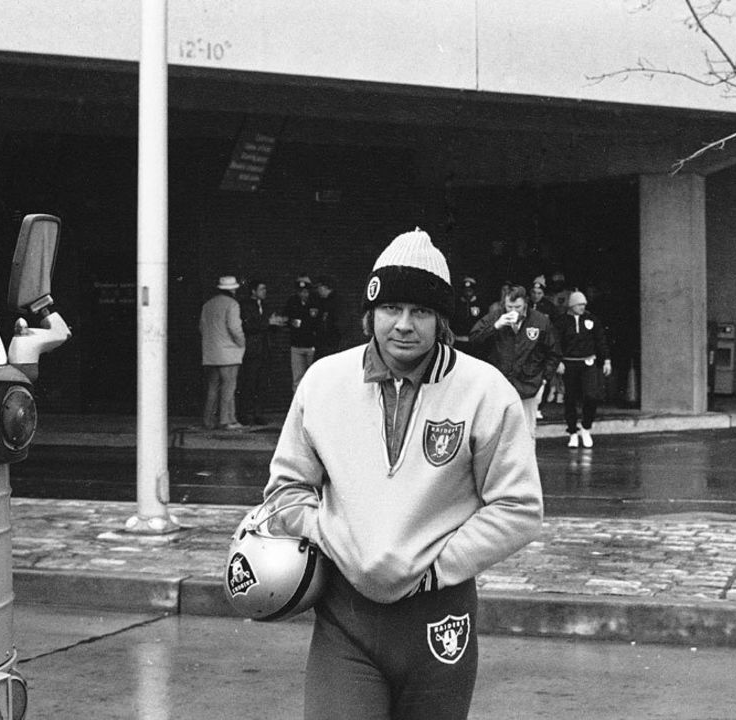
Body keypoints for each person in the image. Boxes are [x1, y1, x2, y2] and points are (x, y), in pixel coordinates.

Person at [261, 228, 544, 720]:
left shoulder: (484, 391)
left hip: (440, 621)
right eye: (392, 309)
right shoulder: (323, 382)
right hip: (345, 619)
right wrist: (337, 539)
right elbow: (286, 490)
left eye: (422, 312)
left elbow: (518, 508)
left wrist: (434, 569)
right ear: (370, 313)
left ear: (442, 320)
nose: (404, 326)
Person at [468, 283, 560, 437]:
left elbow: (554, 351)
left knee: (526, 432)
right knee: (497, 432)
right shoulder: (496, 316)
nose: (513, 311)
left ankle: (526, 461)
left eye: (517, 307)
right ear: (504, 303)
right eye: (509, 306)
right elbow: (474, 339)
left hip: (528, 384)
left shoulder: (540, 321)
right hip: (499, 383)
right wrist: (496, 326)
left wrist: (544, 379)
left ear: (525, 303)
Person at [553, 289, 611, 448]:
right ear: (572, 305)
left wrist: (606, 360)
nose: (582, 307)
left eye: (584, 304)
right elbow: (555, 342)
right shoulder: (562, 321)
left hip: (588, 363)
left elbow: (600, 340)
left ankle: (586, 427)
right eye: (579, 304)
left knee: (591, 396)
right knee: (570, 398)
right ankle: (572, 432)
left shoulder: (592, 319)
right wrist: (558, 361)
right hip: (569, 363)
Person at [199, 275, 245, 430]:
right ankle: (227, 420)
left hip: (211, 353)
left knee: (213, 387)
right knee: (229, 387)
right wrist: (242, 343)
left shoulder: (207, 305)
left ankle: (208, 420)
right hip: (229, 353)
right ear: (232, 289)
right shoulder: (232, 304)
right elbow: (234, 328)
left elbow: (201, 327)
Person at [237, 278, 281, 425]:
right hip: (252, 349)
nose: (265, 292)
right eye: (262, 289)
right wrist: (267, 323)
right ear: (253, 291)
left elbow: (269, 326)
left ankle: (258, 413)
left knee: (262, 383)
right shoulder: (244, 306)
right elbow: (248, 325)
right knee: (249, 382)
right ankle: (244, 413)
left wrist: (276, 324)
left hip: (265, 349)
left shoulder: (266, 306)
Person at [284, 275, 318, 393]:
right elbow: (285, 318)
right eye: (300, 292)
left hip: (312, 346)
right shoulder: (292, 301)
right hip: (296, 345)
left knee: (313, 378)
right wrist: (290, 322)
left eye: (305, 291)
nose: (303, 294)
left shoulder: (315, 301)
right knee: (297, 379)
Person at [450, 276, 485, 356]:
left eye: (470, 290)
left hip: (474, 344)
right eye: (466, 290)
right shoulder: (456, 304)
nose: (468, 292)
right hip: (458, 342)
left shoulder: (481, 304)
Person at [312, 276, 343, 356]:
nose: (317, 290)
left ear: (324, 287)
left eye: (318, 287)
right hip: (324, 345)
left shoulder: (336, 303)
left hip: (331, 346)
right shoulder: (322, 302)